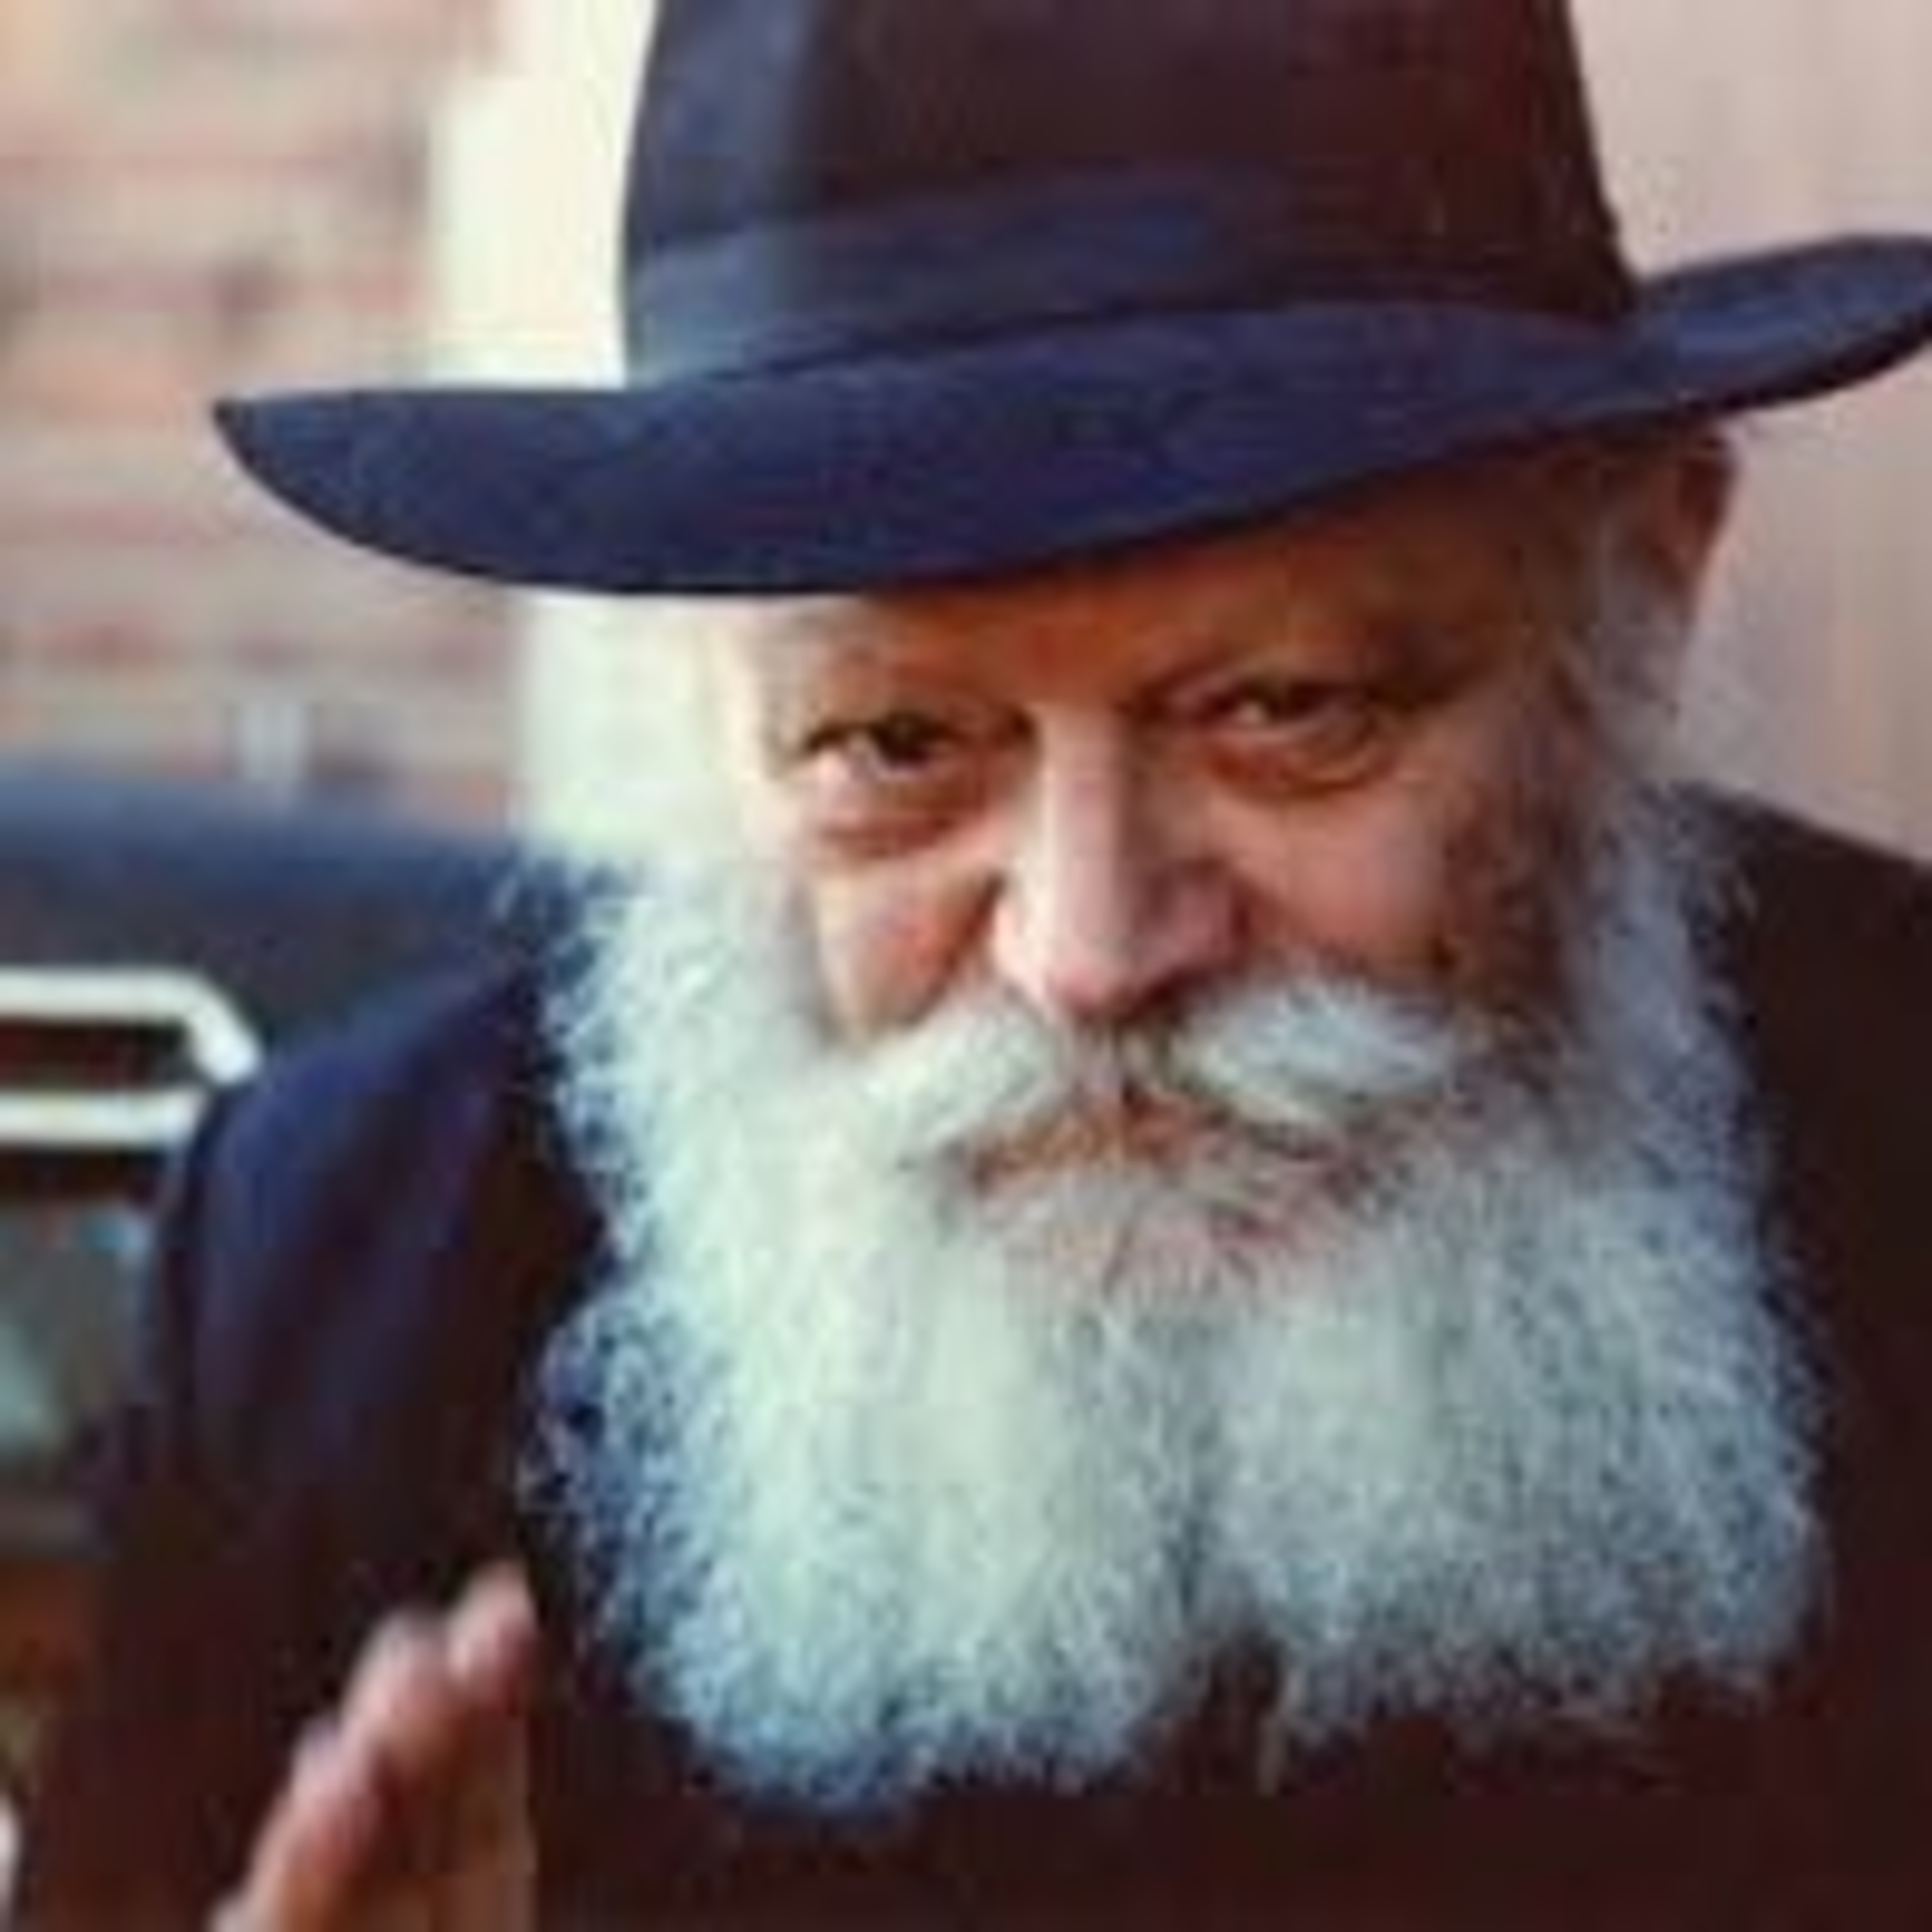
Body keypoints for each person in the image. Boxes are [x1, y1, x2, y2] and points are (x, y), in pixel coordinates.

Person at [21, 0, 1932, 1923]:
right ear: (723, 707)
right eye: (897, 746)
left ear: (1647, 581)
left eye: (1289, 710)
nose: (1090, 954)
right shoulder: (336, 1287)